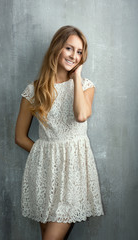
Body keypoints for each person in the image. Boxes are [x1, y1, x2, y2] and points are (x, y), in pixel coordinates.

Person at [15, 25, 104, 240]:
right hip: (44, 173)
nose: (74, 55)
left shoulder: (85, 86)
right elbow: (19, 137)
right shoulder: (34, 90)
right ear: (57, 48)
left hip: (74, 174)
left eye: (79, 51)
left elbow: (81, 115)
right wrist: (44, 154)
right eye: (69, 48)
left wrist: (76, 77)